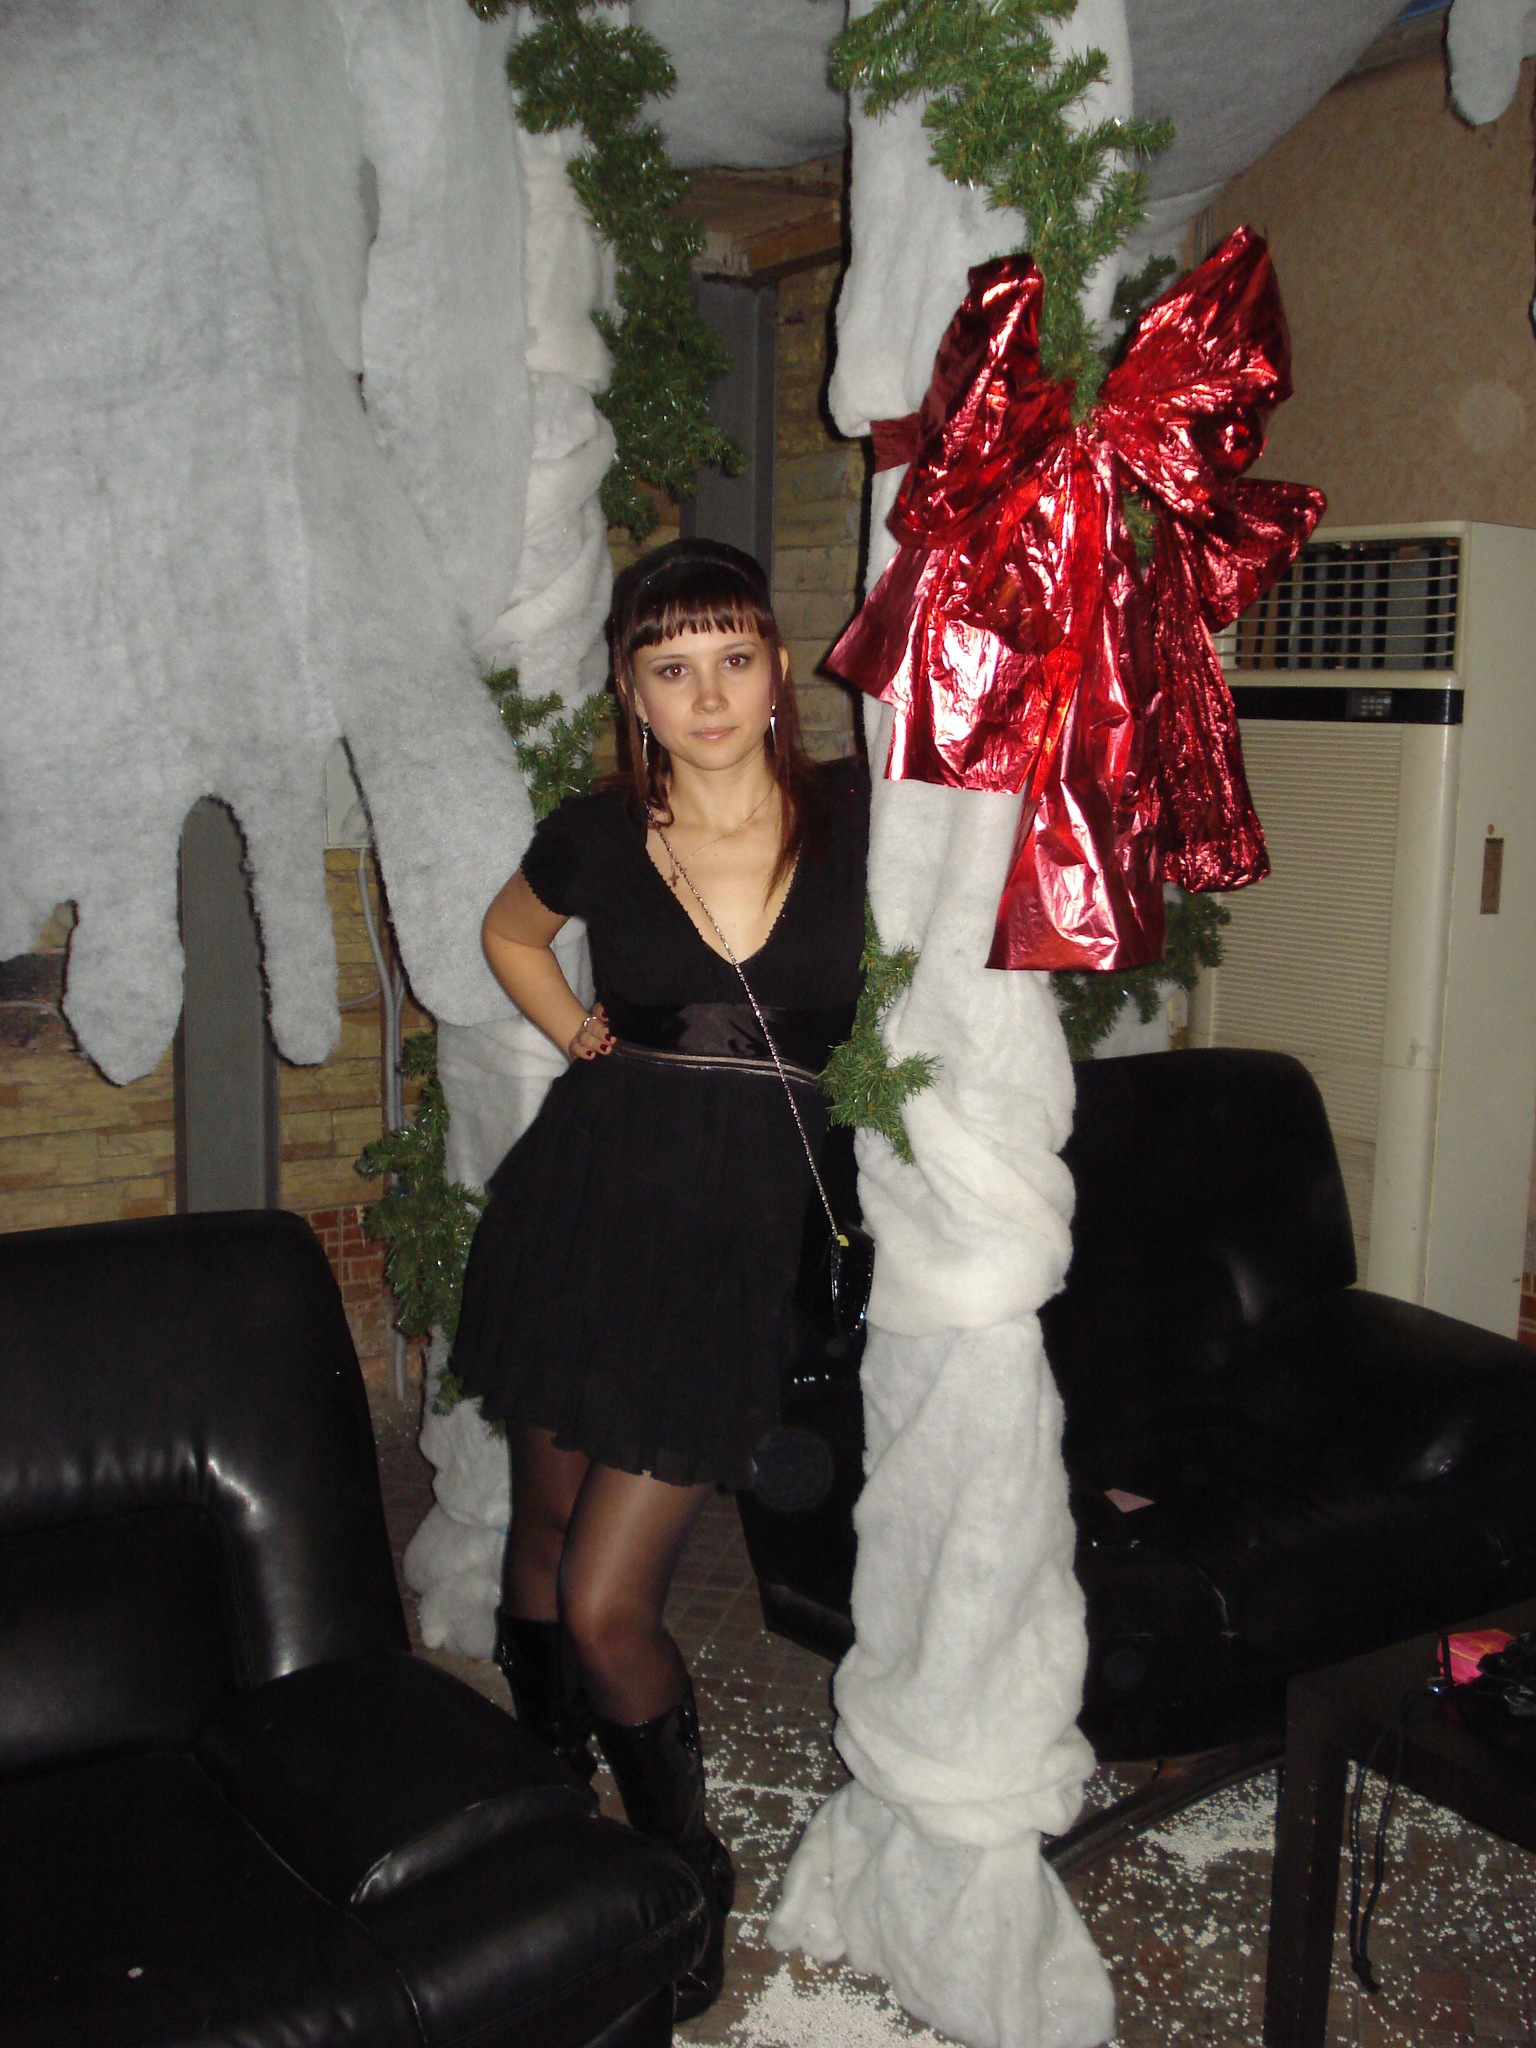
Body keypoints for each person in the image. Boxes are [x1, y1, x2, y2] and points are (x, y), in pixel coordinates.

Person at [450, 538, 869, 2017]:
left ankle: (684, 1865)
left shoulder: (860, 817)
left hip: (738, 1243)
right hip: (585, 1207)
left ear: (777, 669)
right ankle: (550, 1778)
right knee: (544, 1522)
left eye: (733, 658)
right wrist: (576, 1032)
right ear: (631, 690)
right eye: (670, 667)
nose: (707, 696)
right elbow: (509, 933)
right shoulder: (597, 831)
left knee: (607, 1600)